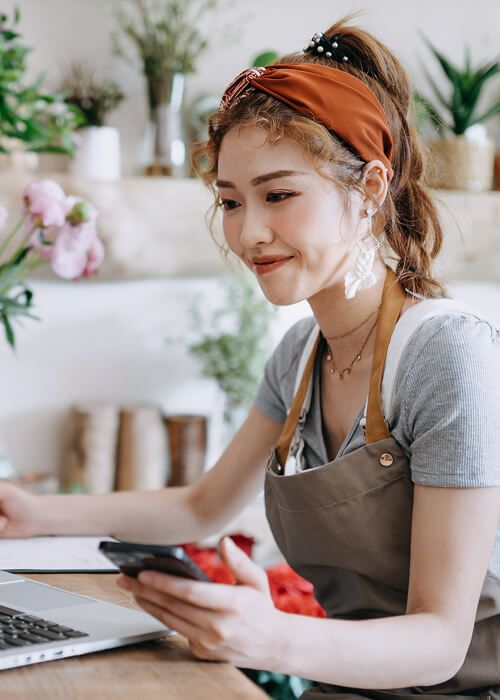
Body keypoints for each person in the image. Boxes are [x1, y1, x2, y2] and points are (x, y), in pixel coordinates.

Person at [0, 14, 499, 699]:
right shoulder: (299, 357)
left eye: (279, 195)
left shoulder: (447, 354)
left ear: (372, 191)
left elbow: (441, 643)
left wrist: (268, 637)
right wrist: (34, 514)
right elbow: (201, 508)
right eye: (231, 201)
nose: (248, 232)